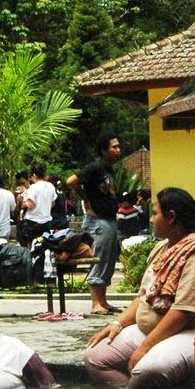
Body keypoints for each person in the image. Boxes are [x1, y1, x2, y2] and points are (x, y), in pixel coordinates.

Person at [84, 187, 195, 389]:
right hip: (147, 330)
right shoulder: (162, 248)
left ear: (171, 217)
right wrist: (116, 323)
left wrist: (145, 347)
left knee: (148, 369)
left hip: (185, 333)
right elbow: (143, 296)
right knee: (94, 356)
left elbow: (183, 312)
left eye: (155, 213)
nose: (151, 219)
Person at [68, 134, 123, 315]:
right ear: (104, 150)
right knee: (99, 259)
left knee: (109, 260)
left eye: (118, 146)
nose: (118, 150)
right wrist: (85, 199)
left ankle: (103, 300)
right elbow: (71, 181)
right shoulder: (95, 168)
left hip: (109, 220)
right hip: (98, 222)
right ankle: (95, 303)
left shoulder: (109, 169)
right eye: (114, 147)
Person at [20, 165, 59, 245]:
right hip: (46, 221)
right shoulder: (50, 186)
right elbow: (53, 204)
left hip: (33, 221)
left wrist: (25, 199)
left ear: (34, 175)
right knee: (44, 244)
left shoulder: (33, 187)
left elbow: (30, 206)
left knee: (32, 244)